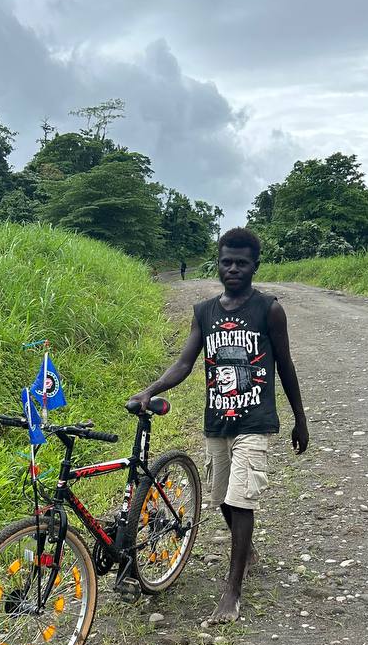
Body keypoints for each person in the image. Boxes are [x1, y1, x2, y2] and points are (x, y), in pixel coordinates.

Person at [128, 226, 309, 623]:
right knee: (223, 499)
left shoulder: (269, 309)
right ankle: (248, 551)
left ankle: (232, 590)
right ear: (218, 262)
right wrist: (150, 389)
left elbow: (286, 366)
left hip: (254, 418)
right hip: (217, 420)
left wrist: (300, 419)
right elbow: (184, 363)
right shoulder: (204, 312)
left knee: (242, 498)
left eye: (241, 264)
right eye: (227, 262)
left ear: (254, 266)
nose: (233, 269)